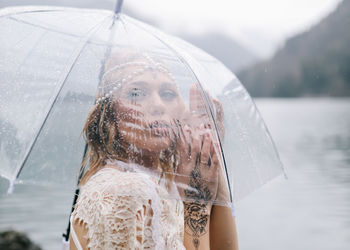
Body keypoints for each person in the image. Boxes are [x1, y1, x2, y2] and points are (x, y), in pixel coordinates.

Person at [69, 51, 238, 250]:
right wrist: (196, 206)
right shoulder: (124, 192)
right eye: (136, 93)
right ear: (110, 112)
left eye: (168, 94)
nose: (158, 105)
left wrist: (211, 156)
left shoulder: (166, 183)